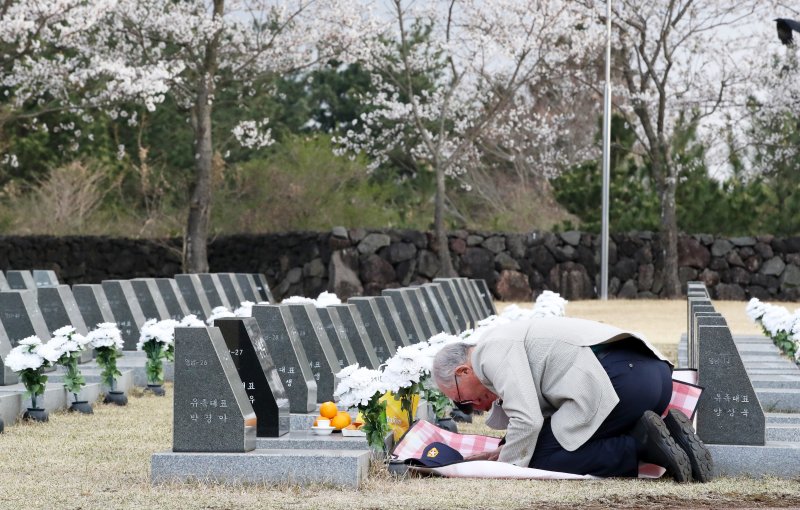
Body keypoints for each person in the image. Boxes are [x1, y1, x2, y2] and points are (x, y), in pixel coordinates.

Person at [432, 316, 713, 482]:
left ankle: (642, 445)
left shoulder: (489, 353)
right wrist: (504, 447)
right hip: (655, 376)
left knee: (541, 456)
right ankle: (673, 438)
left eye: (461, 401)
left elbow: (528, 421)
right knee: (556, 440)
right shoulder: (504, 339)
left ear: (463, 371)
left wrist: (504, 464)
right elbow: (542, 415)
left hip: (617, 383)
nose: (472, 408)